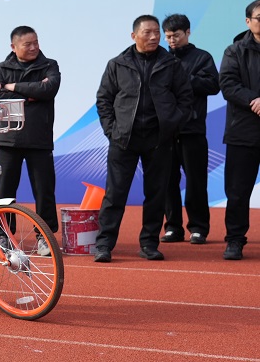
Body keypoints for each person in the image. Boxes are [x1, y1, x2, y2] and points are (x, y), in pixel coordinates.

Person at [93, 15, 193, 263]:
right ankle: (104, 244)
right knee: (115, 194)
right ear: (134, 35)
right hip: (123, 139)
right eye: (147, 32)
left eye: (156, 32)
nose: (154, 37)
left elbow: (185, 99)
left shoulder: (171, 64)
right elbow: (104, 100)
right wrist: (112, 131)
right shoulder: (117, 64)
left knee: (156, 194)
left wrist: (171, 126)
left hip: (159, 139)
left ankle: (149, 243)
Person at [0, 26, 61, 256]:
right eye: (27, 44)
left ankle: (44, 238)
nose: (33, 47)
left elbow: (48, 89)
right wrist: (31, 93)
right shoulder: (2, 68)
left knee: (44, 190)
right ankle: (3, 236)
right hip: (8, 139)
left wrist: (12, 87)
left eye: (36, 42)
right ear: (14, 47)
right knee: (5, 191)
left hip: (39, 138)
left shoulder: (49, 65)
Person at [159, 14, 219, 245]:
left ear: (188, 33)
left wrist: (182, 77)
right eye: (168, 36)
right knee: (167, 182)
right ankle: (173, 227)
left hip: (192, 130)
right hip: (165, 131)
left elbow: (213, 85)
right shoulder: (161, 58)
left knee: (196, 181)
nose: (171, 40)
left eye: (176, 35)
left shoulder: (202, 57)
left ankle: (198, 228)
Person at [218, 0, 260, 261]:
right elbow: (227, 84)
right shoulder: (235, 51)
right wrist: (254, 100)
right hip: (243, 131)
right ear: (248, 21)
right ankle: (235, 240)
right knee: (237, 192)